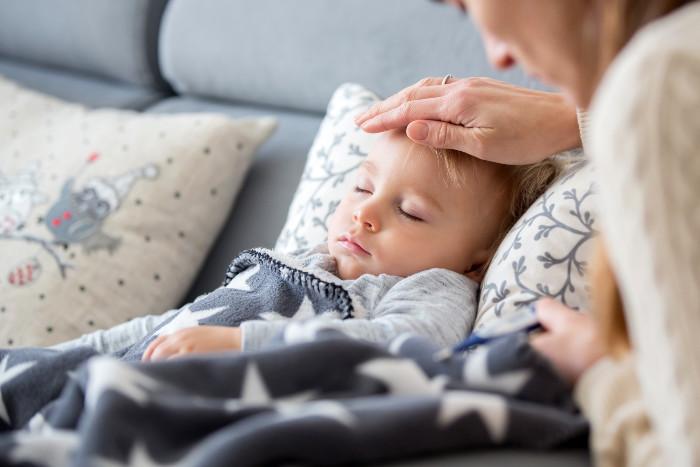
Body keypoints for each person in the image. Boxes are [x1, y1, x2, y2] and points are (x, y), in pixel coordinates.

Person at [357, 1, 700, 466]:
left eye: (467, 4)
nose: (497, 56)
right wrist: (577, 116)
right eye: (360, 186)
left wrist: (599, 372)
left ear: (479, 262)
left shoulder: (662, 85)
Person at [52, 129, 559, 362]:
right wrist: (69, 354)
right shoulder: (297, 261)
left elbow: (407, 345)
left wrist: (244, 346)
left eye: (410, 211)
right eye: (363, 188)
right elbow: (172, 324)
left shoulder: (432, 289)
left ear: (476, 263)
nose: (365, 212)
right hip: (127, 365)